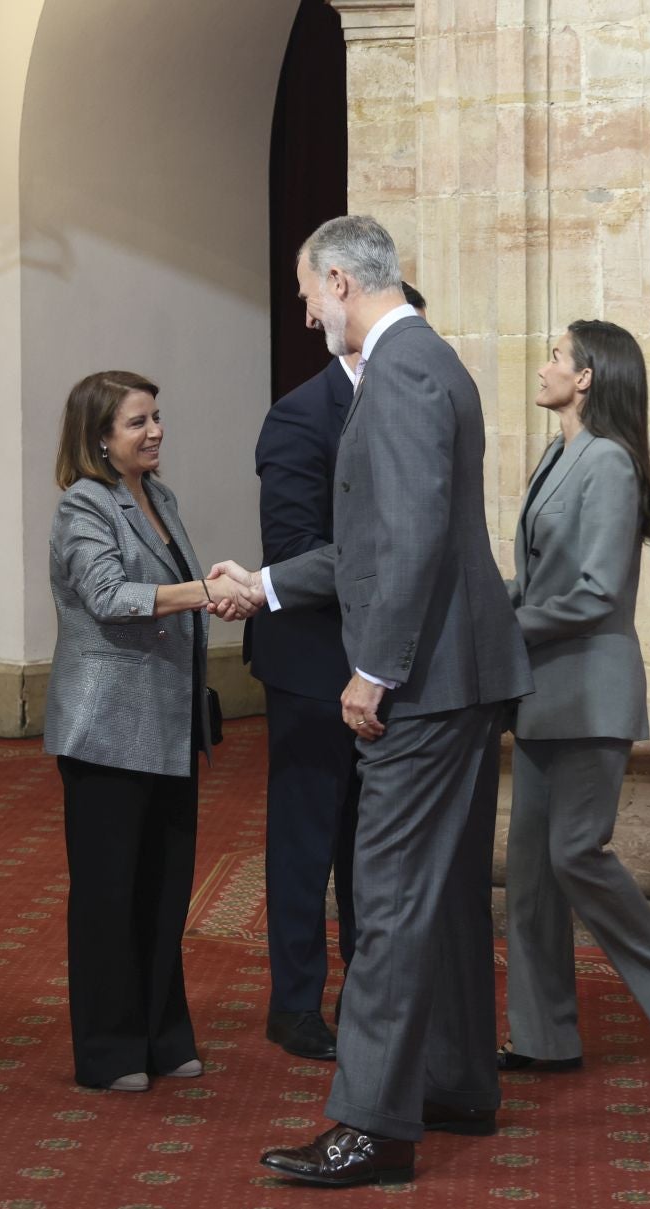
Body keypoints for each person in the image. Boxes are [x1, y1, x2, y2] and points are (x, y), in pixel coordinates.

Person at [216, 215, 533, 1186]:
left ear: (344, 280)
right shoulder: (430, 361)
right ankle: (457, 1084)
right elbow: (382, 534)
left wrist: (376, 668)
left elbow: (407, 539)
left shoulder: (396, 374)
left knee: (390, 898)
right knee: (441, 895)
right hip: (468, 674)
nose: (309, 312)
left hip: (427, 681)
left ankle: (372, 1125)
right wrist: (269, 583)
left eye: (311, 292)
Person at [498, 320, 650, 1076]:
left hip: (592, 688)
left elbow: (595, 594)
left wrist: (503, 625)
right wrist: (485, 605)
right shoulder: (557, 453)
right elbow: (537, 583)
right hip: (541, 690)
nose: (544, 365)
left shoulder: (611, 464)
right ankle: (542, 1036)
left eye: (555, 356)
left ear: (588, 376)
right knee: (530, 872)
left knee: (574, 853)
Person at [45, 371, 258, 1091]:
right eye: (138, 422)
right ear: (99, 437)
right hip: (106, 727)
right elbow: (109, 597)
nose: (155, 431)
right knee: (109, 893)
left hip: (166, 725)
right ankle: (109, 1049)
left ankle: (163, 1034)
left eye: (157, 417)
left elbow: (173, 593)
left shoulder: (158, 497)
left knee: (164, 887)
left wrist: (216, 595)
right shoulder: (84, 505)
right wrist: (204, 593)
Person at [247, 280, 426, 1061]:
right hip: (315, 666)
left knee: (371, 848)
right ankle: (293, 1005)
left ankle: (367, 993)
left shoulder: (412, 403)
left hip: (393, 669)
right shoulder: (297, 415)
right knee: (305, 842)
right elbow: (291, 550)